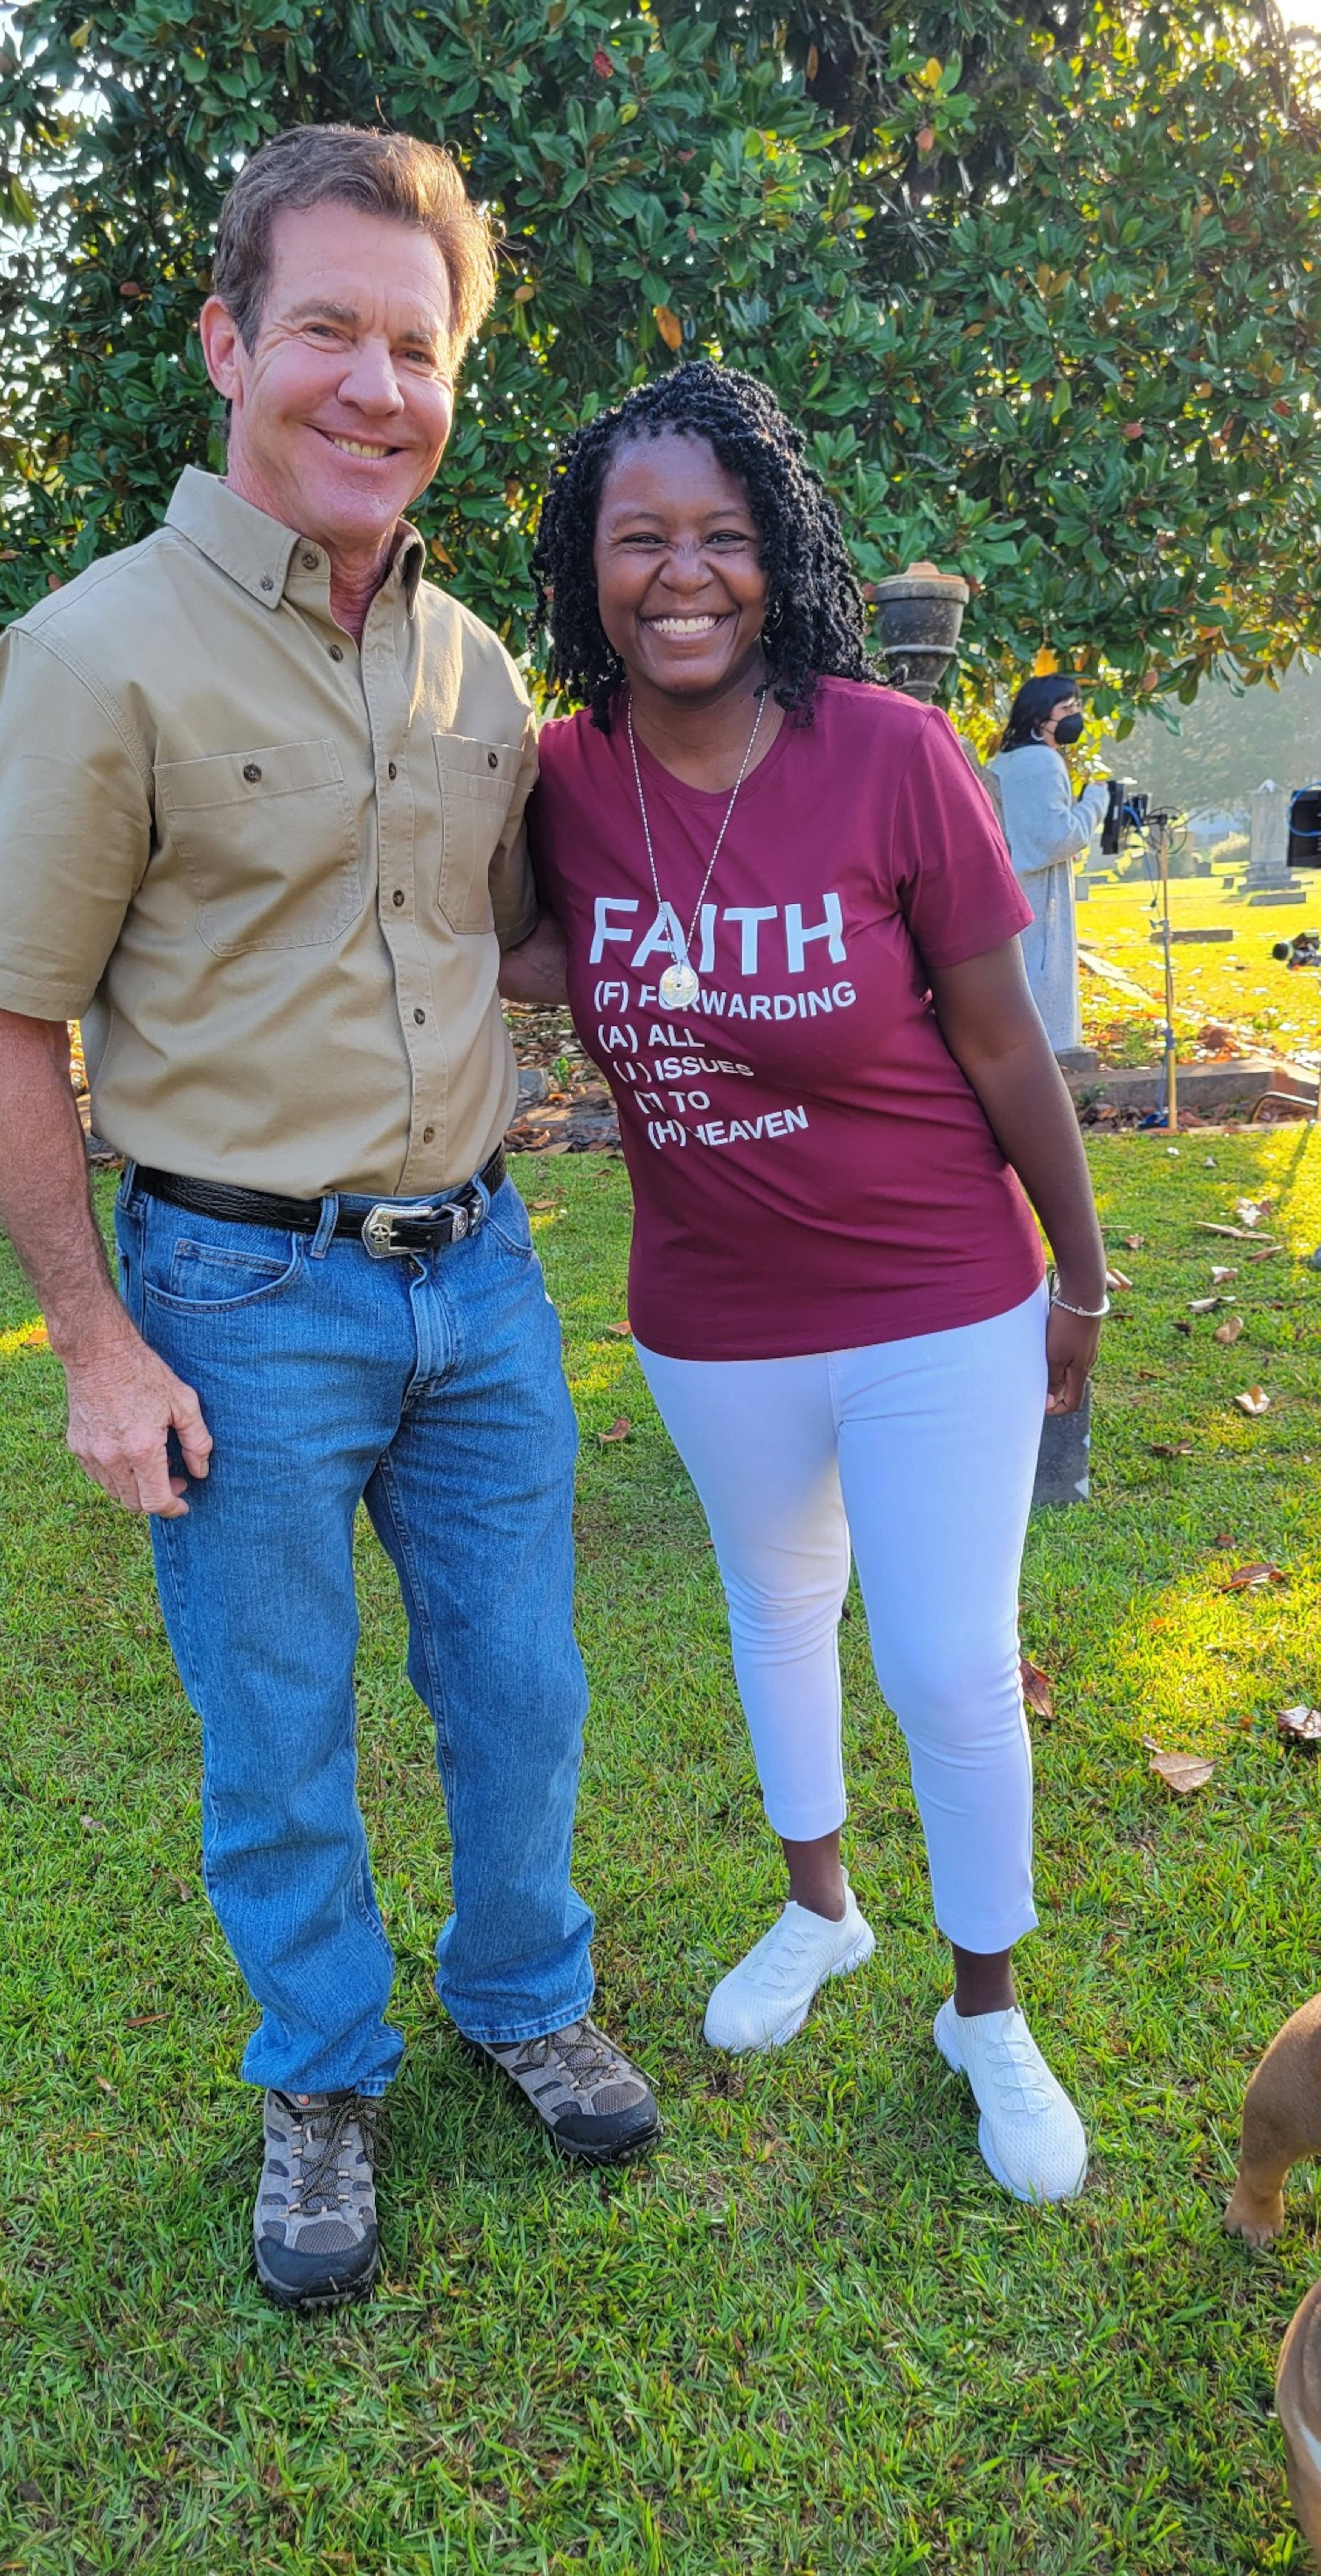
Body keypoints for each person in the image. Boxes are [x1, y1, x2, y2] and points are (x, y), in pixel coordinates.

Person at [0, 124, 659, 2316]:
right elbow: (8, 1020)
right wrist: (96, 1344)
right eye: (328, 328)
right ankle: (324, 2070)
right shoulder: (95, 655)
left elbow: (502, 939)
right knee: (276, 1724)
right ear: (228, 343)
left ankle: (520, 1991)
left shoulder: (474, 674)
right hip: (236, 1293)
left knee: (522, 1687)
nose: (376, 383)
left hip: (483, 1276)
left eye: (417, 346)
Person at [527, 362, 1107, 2204]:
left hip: (941, 1293)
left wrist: (1082, 1277)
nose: (683, 573)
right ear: (587, 566)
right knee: (778, 1608)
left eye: (724, 534)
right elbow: (498, 943)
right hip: (711, 1314)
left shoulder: (889, 753)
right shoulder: (560, 776)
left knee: (946, 1657)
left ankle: (987, 2007)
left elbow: (1003, 1039)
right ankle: (822, 1909)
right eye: (641, 538)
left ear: (777, 556)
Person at [988, 675, 1109, 1058]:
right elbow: (1057, 838)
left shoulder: (1005, 761)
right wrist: (1096, 803)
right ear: (1041, 717)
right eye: (1067, 708)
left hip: (1010, 890)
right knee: (1043, 985)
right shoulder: (1043, 762)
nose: (1076, 716)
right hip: (1038, 893)